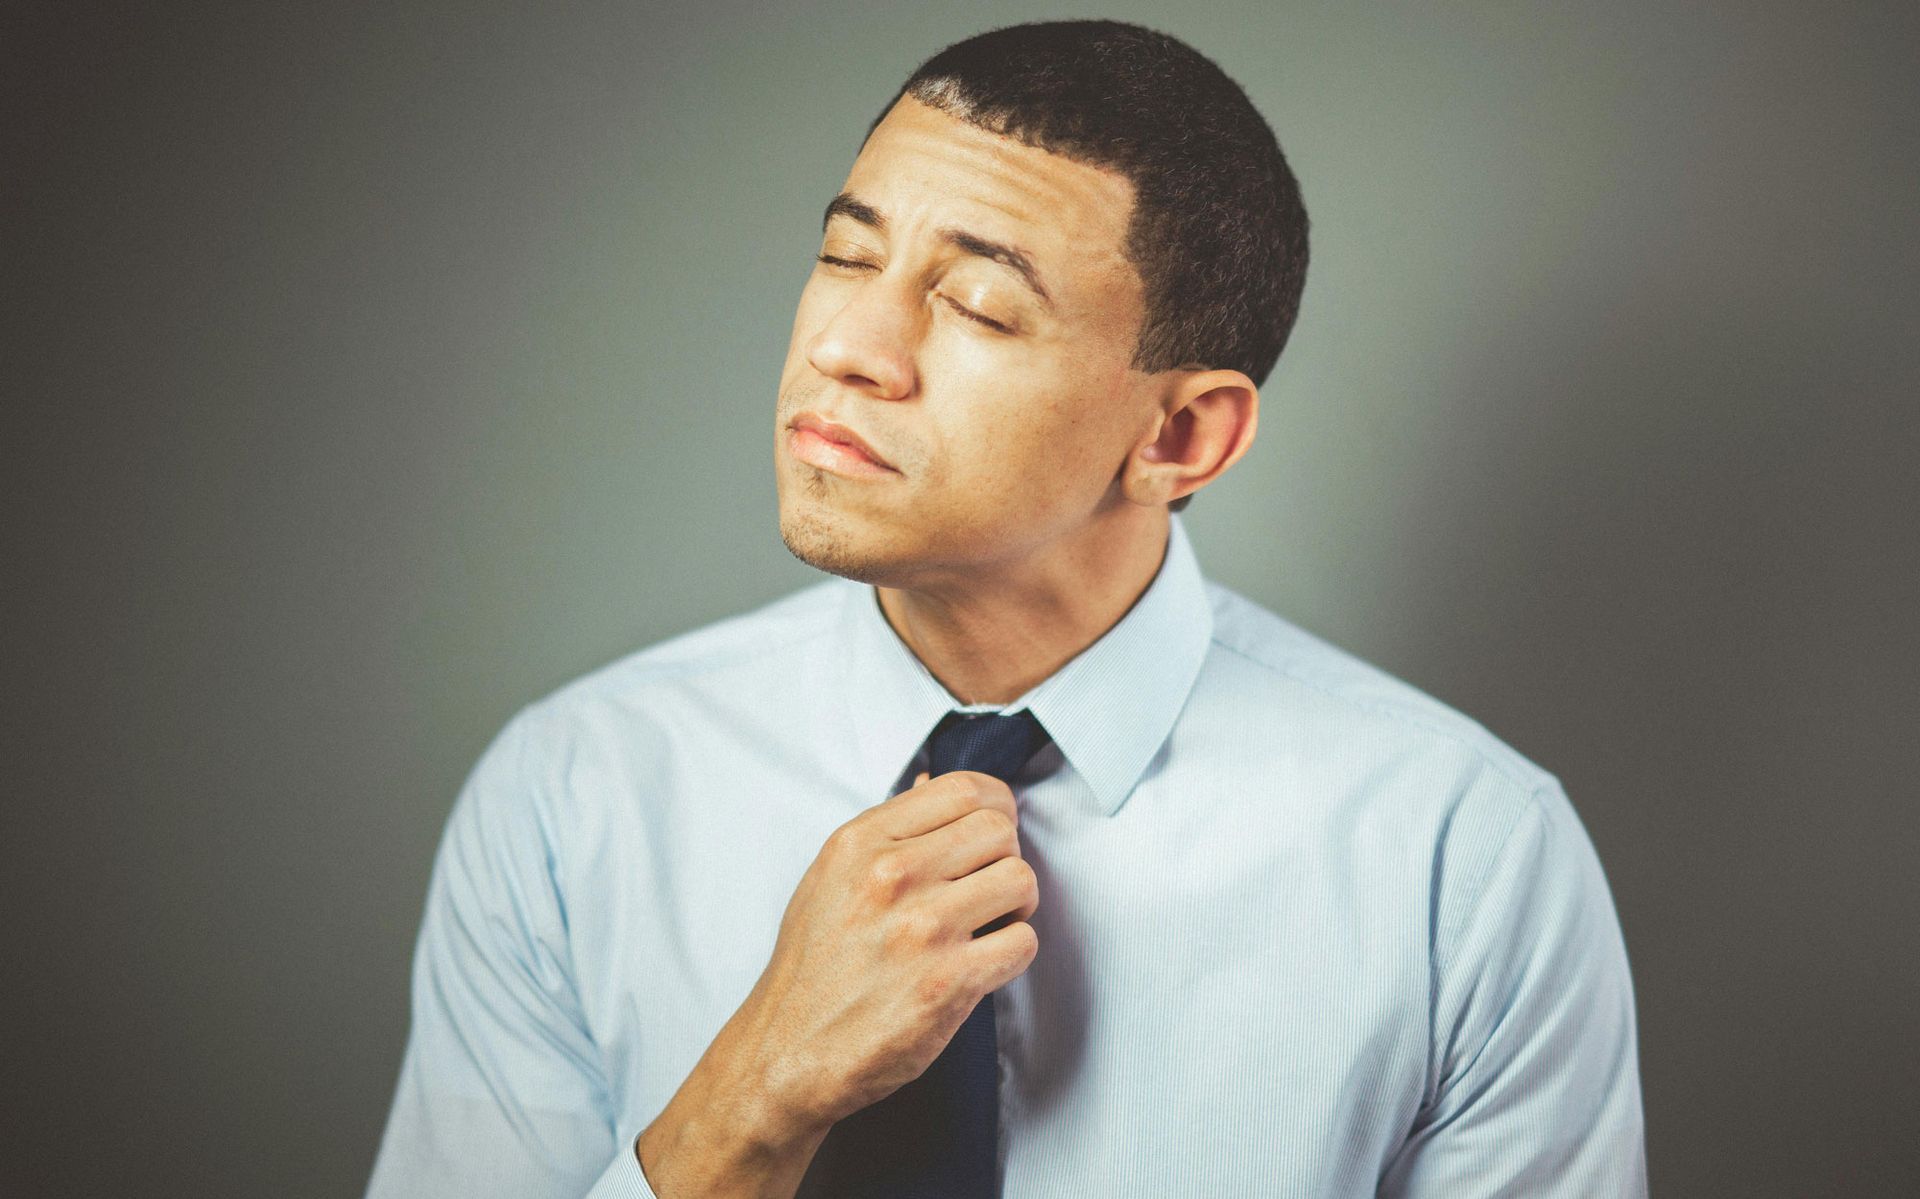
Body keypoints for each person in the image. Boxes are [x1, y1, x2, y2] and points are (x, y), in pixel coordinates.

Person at [365, 19, 1646, 1199]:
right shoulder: (572, 795)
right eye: (846, 254)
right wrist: (749, 1100)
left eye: (978, 301)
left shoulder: (1462, 862)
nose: (851, 343)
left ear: (1184, 434)